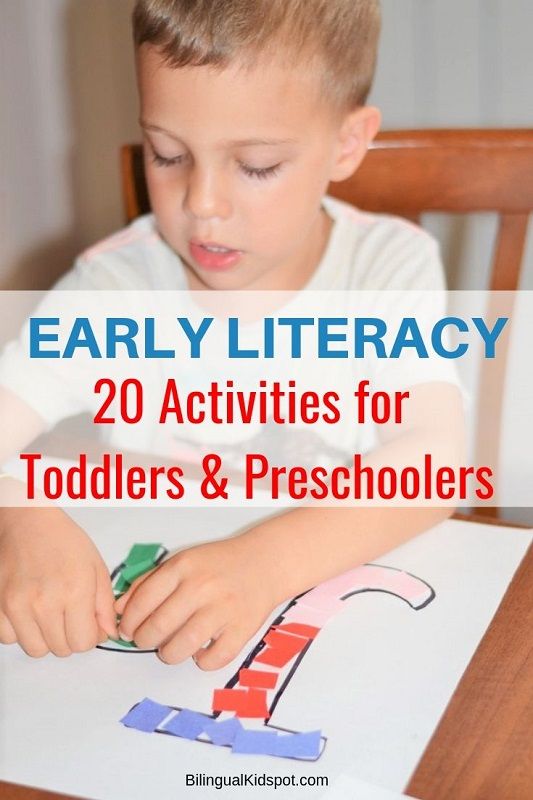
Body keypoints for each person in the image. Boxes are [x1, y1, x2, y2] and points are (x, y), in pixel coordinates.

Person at [0, 0, 464, 666]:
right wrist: (20, 515)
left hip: (336, 633)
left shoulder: (384, 267)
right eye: (166, 155)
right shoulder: (116, 290)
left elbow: (433, 463)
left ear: (346, 144)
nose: (202, 204)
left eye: (255, 166)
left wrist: (264, 564)